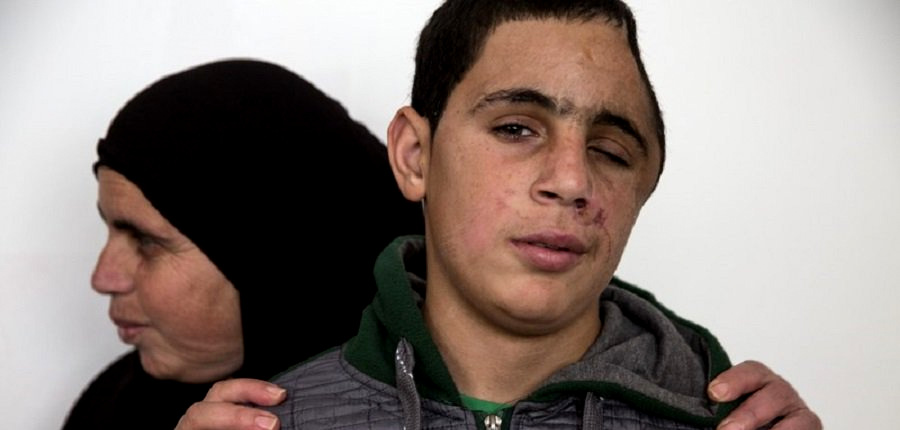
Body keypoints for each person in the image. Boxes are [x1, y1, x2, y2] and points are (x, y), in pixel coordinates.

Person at [177, 1, 821, 429]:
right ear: (414, 155)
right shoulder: (279, 420)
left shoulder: (735, 421)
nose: (572, 179)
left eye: (611, 150)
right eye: (516, 128)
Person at [62, 59, 425, 429]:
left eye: (145, 240)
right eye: (108, 228)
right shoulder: (114, 407)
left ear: (270, 256)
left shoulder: (448, 407)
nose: (103, 278)